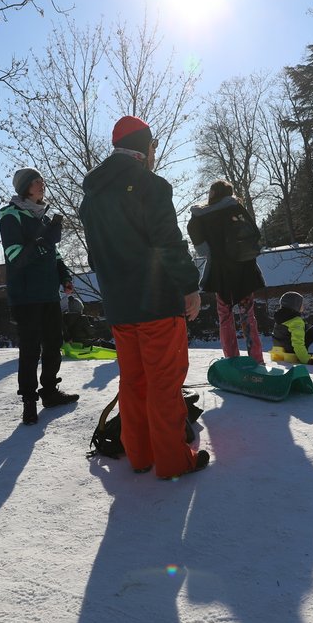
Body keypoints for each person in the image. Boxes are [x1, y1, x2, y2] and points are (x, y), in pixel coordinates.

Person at [79, 115, 209, 479]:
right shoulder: (151, 186)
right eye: (153, 147)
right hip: (157, 305)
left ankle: (140, 456)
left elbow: (94, 257)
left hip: (119, 308)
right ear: (144, 147)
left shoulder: (91, 199)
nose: (155, 153)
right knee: (165, 385)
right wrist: (189, 286)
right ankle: (173, 462)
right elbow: (168, 243)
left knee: (133, 383)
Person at [0, 167, 79, 425]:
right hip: (26, 296)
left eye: (42, 180)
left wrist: (64, 277)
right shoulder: (11, 215)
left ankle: (50, 392)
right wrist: (44, 240)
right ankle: (29, 401)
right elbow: (15, 256)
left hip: (48, 294)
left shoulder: (43, 217)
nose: (42, 183)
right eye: (36, 181)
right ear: (24, 187)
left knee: (53, 345)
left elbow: (54, 256)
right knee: (31, 349)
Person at [187, 180, 266, 364]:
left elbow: (202, 251)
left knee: (225, 316)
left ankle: (231, 360)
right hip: (244, 269)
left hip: (220, 272)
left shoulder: (199, 216)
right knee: (248, 315)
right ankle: (257, 360)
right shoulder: (236, 208)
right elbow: (254, 236)